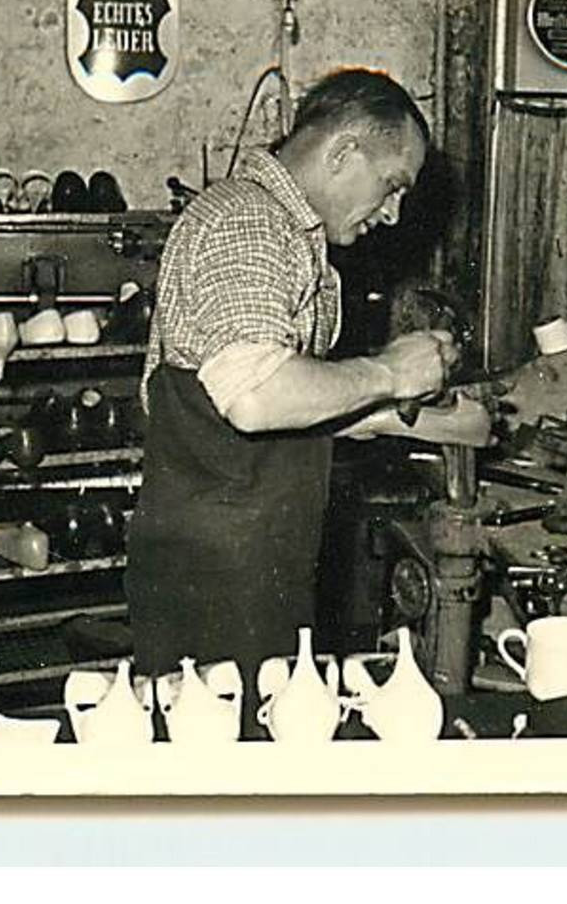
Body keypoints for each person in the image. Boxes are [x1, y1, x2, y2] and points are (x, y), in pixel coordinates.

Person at [125, 67, 492, 685]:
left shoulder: (287, 232)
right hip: (220, 572)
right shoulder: (250, 224)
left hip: (246, 551)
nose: (396, 212)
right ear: (344, 152)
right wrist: (388, 373)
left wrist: (399, 418)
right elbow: (254, 396)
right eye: (392, 184)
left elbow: (278, 398)